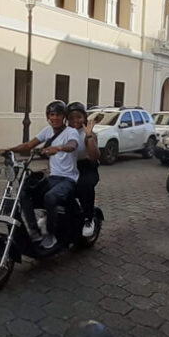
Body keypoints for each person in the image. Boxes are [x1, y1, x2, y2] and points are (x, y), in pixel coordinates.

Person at [1, 100, 82, 249]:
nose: (55, 118)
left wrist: (57, 148)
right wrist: (8, 150)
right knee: (24, 192)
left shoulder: (71, 132)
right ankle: (34, 231)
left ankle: (51, 235)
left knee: (50, 197)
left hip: (68, 179)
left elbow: (72, 145)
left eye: (58, 114)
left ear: (64, 116)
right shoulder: (47, 131)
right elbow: (28, 145)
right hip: (53, 178)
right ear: (48, 116)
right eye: (52, 114)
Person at [66, 102, 100, 237]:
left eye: (79, 117)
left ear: (84, 117)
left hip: (86, 168)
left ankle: (88, 219)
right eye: (72, 118)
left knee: (84, 186)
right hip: (69, 168)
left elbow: (94, 156)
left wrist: (89, 136)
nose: (75, 121)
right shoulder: (64, 132)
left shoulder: (88, 133)